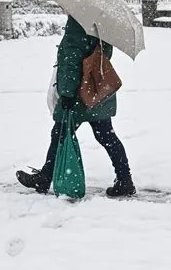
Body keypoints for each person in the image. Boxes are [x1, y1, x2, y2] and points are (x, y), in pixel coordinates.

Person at [17, 16, 135, 197]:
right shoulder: (103, 21)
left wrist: (67, 93)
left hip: (79, 93)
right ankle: (125, 179)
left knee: (60, 133)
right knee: (106, 135)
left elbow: (71, 59)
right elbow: (104, 54)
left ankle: (45, 178)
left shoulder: (79, 21)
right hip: (97, 88)